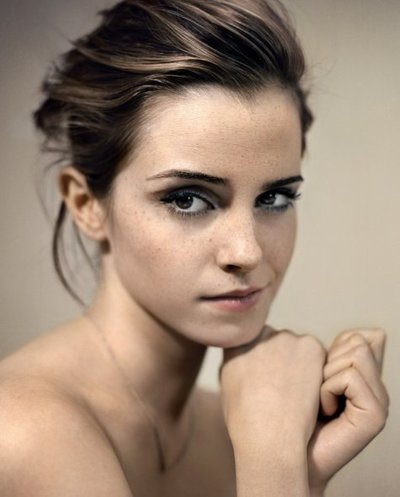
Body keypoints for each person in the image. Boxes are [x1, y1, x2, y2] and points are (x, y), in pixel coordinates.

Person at [0, 1, 389, 496]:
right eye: (187, 199)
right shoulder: (26, 430)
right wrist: (272, 464)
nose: (246, 252)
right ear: (86, 205)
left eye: (274, 198)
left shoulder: (240, 426)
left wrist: (302, 473)